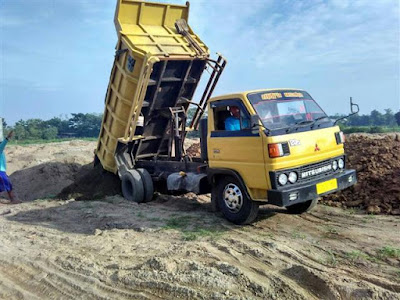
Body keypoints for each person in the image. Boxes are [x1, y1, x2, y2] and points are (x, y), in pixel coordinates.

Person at [0, 130, 19, 204]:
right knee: (9, 185)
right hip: (0, 171)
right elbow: (3, 144)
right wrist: (8, 137)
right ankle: (13, 200)